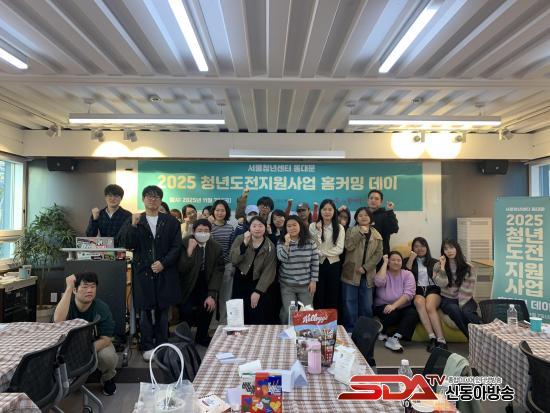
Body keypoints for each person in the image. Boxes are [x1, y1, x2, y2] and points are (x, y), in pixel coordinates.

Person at [117, 185, 182, 361]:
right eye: (149, 196)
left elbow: (177, 247)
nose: (152, 199)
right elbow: (126, 244)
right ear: (143, 199)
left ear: (161, 200)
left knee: (162, 310)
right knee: (145, 311)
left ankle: (162, 345)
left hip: (164, 271)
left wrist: (163, 263)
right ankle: (147, 346)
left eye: (156, 196)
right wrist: (132, 225)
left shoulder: (171, 221)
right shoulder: (135, 219)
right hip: (143, 272)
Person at [53, 272, 118, 396]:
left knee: (108, 356)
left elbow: (106, 339)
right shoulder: (67, 305)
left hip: (95, 345)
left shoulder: (101, 308)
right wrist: (69, 288)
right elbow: (58, 320)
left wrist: (85, 350)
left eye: (93, 287)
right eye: (85, 287)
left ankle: (108, 378)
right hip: (69, 346)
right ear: (75, 290)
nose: (90, 290)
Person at [178, 219, 224, 346]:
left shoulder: (216, 247)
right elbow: (181, 269)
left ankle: (202, 336)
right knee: (186, 310)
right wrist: (189, 251)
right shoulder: (185, 243)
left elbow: (218, 271)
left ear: (210, 232)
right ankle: (184, 339)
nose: (203, 233)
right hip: (187, 283)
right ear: (193, 231)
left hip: (206, 281)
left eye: (206, 231)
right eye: (199, 230)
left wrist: (212, 294)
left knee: (208, 307)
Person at [341, 207, 383, 332]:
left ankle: (364, 331)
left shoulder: (377, 235)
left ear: (370, 218)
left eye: (366, 215)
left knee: (366, 305)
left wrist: (366, 267)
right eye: (360, 215)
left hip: (367, 274)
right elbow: (348, 246)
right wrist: (360, 234)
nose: (363, 217)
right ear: (356, 218)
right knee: (349, 302)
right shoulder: (351, 230)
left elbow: (378, 254)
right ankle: (350, 329)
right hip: (351, 272)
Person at [230, 216, 277, 324]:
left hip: (258, 283)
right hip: (240, 282)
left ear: (265, 228)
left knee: (256, 315)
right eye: (254, 226)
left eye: (260, 226)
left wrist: (258, 291)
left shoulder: (270, 246)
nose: (257, 229)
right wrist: (244, 244)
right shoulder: (240, 238)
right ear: (249, 227)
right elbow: (233, 260)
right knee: (239, 317)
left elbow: (269, 271)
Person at [403, 237, 446, 352]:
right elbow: (405, 275)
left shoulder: (434, 262)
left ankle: (441, 340)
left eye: (422, 246)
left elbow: (441, 279)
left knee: (430, 306)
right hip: (417, 290)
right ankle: (432, 337)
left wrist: (442, 265)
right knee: (418, 302)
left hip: (432, 289)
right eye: (416, 246)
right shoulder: (407, 260)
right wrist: (411, 259)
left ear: (427, 247)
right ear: (412, 248)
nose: (420, 249)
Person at [433, 239, 481, 338]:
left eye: (451, 247)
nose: (449, 251)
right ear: (443, 251)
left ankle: (485, 333)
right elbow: (442, 284)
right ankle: (472, 338)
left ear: (457, 248)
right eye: (446, 249)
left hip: (466, 298)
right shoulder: (438, 266)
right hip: (447, 300)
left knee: (467, 313)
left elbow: (467, 289)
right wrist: (442, 267)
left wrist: (461, 305)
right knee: (454, 309)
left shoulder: (468, 267)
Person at [277, 216, 319, 324]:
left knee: (307, 313)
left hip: (306, 285)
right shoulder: (281, 242)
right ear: (285, 228)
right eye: (289, 226)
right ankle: (286, 331)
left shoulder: (310, 242)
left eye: (294, 225)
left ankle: (305, 333)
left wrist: (313, 281)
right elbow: (281, 258)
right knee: (289, 313)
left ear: (300, 225)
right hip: (287, 285)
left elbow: (315, 262)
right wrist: (287, 243)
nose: (292, 228)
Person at [374, 252, 418, 352]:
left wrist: (394, 305)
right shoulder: (384, 273)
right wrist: (384, 263)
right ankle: (383, 332)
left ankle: (394, 338)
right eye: (393, 260)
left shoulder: (407, 274)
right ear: (389, 262)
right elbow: (378, 282)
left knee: (413, 314)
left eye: (399, 260)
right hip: (383, 305)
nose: (396, 262)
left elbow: (409, 293)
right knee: (393, 313)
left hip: (402, 306)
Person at [310, 199, 345, 310]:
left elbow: (339, 249)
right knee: (318, 294)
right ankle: (318, 319)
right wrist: (318, 231)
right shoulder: (313, 226)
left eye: (330, 209)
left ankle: (331, 320)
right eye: (324, 209)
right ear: (320, 211)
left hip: (334, 264)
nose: (327, 212)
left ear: (334, 211)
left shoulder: (339, 227)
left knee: (332, 294)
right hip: (317, 264)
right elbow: (312, 245)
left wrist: (321, 252)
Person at [209, 199, 235, 324]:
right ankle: (212, 325)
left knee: (225, 297)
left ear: (227, 212)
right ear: (213, 211)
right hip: (211, 267)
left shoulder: (230, 228)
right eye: (217, 210)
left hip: (226, 266)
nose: (220, 213)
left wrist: (232, 265)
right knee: (211, 296)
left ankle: (224, 323)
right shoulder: (208, 227)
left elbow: (232, 248)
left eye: (222, 210)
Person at [367, 190, 399, 255]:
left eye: (376, 199)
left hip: (381, 254)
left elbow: (394, 229)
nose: (373, 200)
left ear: (381, 202)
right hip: (365, 254)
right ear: (368, 200)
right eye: (371, 198)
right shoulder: (363, 214)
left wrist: (390, 211)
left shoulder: (386, 215)